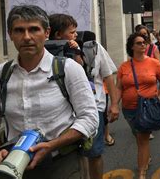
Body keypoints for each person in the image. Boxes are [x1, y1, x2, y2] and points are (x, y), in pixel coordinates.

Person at [0, 5, 98, 178]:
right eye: (19, 30)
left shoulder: (68, 69)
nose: (27, 37)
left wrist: (52, 145)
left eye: (34, 29)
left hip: (62, 164)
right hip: (14, 166)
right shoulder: (1, 74)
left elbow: (90, 118)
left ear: (47, 32)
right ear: (10, 35)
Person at [49, 13, 119, 179]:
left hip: (93, 108)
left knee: (94, 152)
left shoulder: (91, 48)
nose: (75, 35)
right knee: (71, 157)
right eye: (71, 32)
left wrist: (114, 104)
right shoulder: (44, 53)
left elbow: (107, 76)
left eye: (76, 31)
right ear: (57, 35)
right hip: (62, 115)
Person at [115, 32, 160, 179]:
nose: (143, 44)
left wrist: (159, 95)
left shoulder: (154, 63)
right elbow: (119, 87)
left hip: (147, 108)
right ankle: (145, 159)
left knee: (142, 140)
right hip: (129, 109)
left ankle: (142, 173)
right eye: (139, 43)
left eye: (144, 42)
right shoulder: (124, 67)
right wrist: (114, 105)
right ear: (131, 47)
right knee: (138, 136)